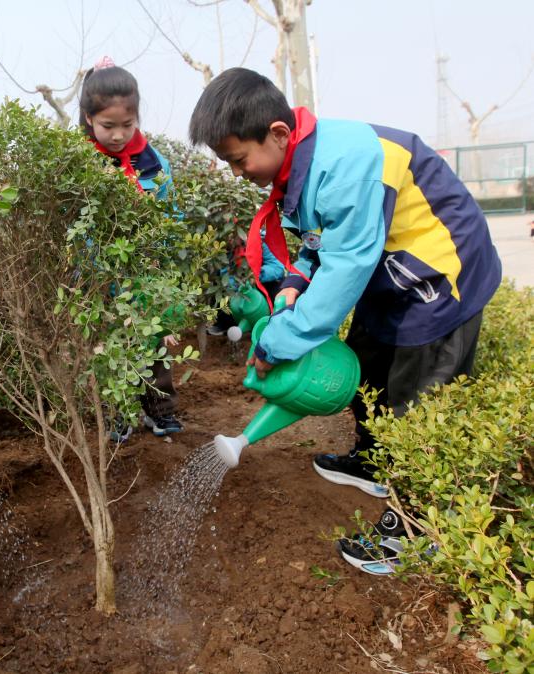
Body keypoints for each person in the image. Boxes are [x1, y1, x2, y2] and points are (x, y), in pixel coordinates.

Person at [189, 68, 502, 574]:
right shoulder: (303, 164)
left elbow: (350, 261)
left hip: (440, 277)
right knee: (368, 369)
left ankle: (415, 530)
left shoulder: (346, 163)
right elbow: (321, 242)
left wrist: (281, 341)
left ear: (277, 134)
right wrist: (295, 283)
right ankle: (373, 461)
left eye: (238, 160)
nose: (236, 172)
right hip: (392, 274)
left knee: (416, 402)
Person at [80, 56, 183, 440]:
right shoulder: (79, 162)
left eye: (128, 124)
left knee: (155, 342)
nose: (119, 134)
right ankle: (117, 413)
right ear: (89, 119)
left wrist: (168, 291)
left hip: (144, 272)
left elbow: (171, 221)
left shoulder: (155, 164)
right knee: (107, 348)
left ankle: (160, 409)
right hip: (97, 277)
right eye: (108, 125)